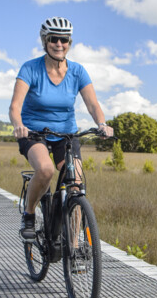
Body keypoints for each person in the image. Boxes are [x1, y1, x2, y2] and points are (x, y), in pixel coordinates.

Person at [9, 17, 113, 241]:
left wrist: (101, 124)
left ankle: (73, 245)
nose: (59, 44)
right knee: (45, 170)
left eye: (64, 40)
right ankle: (29, 215)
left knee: (75, 183)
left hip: (66, 135)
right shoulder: (30, 68)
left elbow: (93, 104)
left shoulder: (77, 71)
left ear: (69, 43)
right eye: (53, 39)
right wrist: (19, 125)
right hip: (34, 133)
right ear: (45, 41)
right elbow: (15, 106)